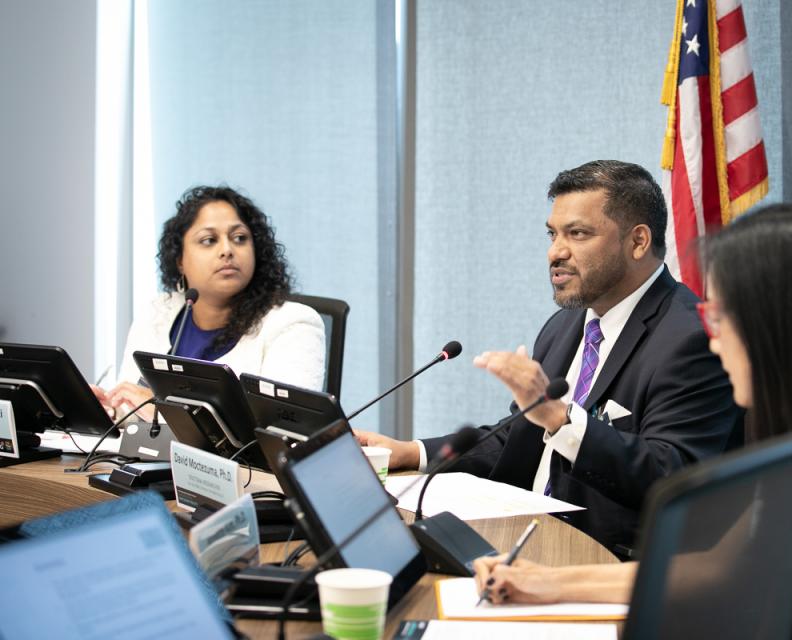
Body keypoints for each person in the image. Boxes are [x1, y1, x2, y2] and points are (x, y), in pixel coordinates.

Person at [471, 205, 792, 636]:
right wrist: (551, 583)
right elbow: (719, 565)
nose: (712, 343)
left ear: (780, 326)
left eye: (719, 319)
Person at [358, 160, 741, 554]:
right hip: (523, 539)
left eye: (577, 234)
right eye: (552, 234)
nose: (555, 253)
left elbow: (674, 475)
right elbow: (518, 437)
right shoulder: (566, 325)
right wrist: (411, 451)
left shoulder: (690, 338)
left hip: (603, 559)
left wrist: (562, 420)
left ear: (638, 241)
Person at [92, 185, 326, 420]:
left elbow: (281, 427)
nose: (227, 250)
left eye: (240, 238)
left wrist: (163, 412)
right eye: (208, 240)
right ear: (180, 260)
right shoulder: (157, 313)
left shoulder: (294, 325)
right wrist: (109, 409)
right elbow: (134, 405)